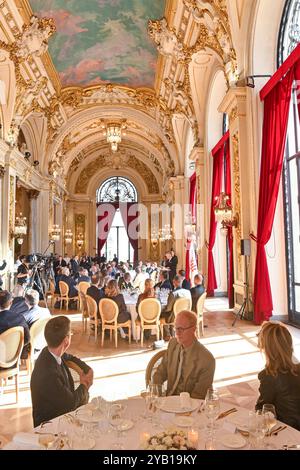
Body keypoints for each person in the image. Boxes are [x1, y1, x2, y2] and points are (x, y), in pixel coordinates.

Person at [30, 315, 93, 427]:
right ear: (66, 341)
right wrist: (84, 384)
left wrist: (87, 369)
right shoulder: (48, 374)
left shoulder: (50, 351)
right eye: (70, 334)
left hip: (61, 414)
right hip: (50, 425)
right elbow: (70, 404)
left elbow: (69, 357)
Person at [153, 310, 215, 399]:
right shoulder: (173, 344)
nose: (177, 333)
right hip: (168, 401)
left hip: (189, 406)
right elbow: (160, 373)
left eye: (181, 329)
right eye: (176, 328)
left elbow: (198, 396)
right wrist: (156, 395)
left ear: (193, 329)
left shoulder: (207, 360)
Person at [255, 321, 300, 430]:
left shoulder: (269, 375)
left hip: (286, 431)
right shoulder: (298, 368)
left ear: (268, 350)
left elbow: (262, 410)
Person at [0, 290, 30, 358]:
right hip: (14, 357)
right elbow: (27, 339)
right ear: (11, 303)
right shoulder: (20, 318)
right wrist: (16, 348)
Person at [160, 275, 192, 340]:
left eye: (173, 282)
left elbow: (168, 308)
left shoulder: (173, 294)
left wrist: (162, 309)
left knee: (161, 314)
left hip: (175, 317)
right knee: (171, 312)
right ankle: (173, 332)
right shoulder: (188, 292)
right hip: (185, 315)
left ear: (175, 282)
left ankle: (168, 334)